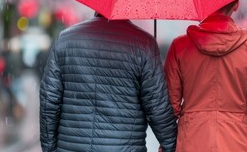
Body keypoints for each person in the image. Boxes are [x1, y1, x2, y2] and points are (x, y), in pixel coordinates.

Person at [39, 13, 177, 152]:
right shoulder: (144, 43)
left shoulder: (64, 39)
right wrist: (170, 146)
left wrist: (49, 148)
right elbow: (157, 106)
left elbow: (48, 101)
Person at [164, 0, 247, 151]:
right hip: (238, 144)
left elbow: (169, 109)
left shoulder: (180, 47)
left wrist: (165, 147)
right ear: (236, 5)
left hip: (192, 143)